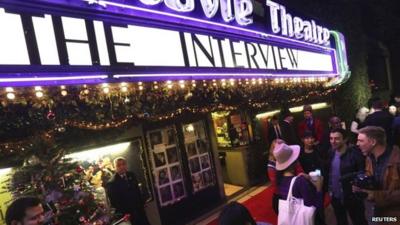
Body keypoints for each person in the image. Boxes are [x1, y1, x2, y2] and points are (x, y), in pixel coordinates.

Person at [354, 126, 400, 223]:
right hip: (378, 214)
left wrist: (376, 195)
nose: (357, 144)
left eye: (361, 141)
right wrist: (362, 186)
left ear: (373, 142)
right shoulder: (369, 158)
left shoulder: (397, 160)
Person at [274, 142, 323, 225]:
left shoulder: (281, 181)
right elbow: (313, 207)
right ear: (294, 162)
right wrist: (319, 188)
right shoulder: (300, 181)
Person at [327, 128, 368, 225]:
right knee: (341, 221)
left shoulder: (355, 153)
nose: (333, 141)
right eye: (331, 138)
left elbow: (363, 172)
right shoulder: (331, 152)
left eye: (336, 138)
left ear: (345, 139)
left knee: (359, 221)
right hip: (336, 197)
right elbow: (329, 173)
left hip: (352, 197)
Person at [106, 157, 150, 225]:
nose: (122, 167)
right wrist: (123, 214)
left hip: (139, 209)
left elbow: (137, 190)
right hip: (127, 214)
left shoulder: (131, 175)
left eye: (123, 164)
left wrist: (142, 202)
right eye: (119, 165)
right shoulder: (112, 183)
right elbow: (114, 202)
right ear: (114, 167)